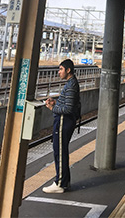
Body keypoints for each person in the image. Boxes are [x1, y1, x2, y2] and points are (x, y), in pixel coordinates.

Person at [43, 59, 80, 194]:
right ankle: (65, 181)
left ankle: (60, 184)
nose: (59, 72)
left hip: (64, 121)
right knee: (61, 151)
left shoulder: (70, 85)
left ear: (68, 70)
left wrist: (52, 108)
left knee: (59, 152)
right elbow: (67, 104)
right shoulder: (71, 83)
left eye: (61, 69)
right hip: (65, 121)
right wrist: (56, 103)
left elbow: (68, 109)